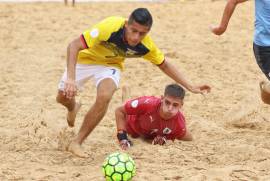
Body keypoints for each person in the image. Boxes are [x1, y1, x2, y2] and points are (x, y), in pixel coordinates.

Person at [56, 8, 210, 157]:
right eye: (133, 31)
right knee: (63, 97)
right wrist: (71, 78)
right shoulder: (110, 27)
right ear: (126, 25)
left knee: (104, 96)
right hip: (84, 60)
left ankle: (77, 142)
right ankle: (72, 107)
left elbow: (164, 64)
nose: (136, 37)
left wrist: (190, 86)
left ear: (147, 32)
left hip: (110, 65)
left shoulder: (146, 46)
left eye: (142, 33)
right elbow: (74, 45)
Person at [211, 0, 270, 103]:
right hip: (265, 48)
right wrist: (222, 27)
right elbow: (233, 2)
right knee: (268, 98)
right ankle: (266, 89)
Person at [115, 84, 192, 150]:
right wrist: (122, 138)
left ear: (181, 105)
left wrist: (165, 139)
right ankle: (126, 96)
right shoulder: (147, 104)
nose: (170, 108)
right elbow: (119, 111)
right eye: (167, 102)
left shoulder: (179, 124)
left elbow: (189, 139)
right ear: (162, 99)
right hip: (131, 124)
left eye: (175, 105)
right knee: (126, 106)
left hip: (147, 136)